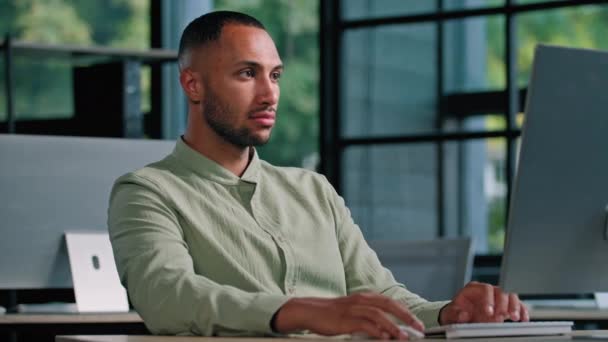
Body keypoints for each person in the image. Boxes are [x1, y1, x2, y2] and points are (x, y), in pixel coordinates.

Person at [107, 10, 529, 339]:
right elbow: (169, 297)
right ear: (192, 85)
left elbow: (381, 297)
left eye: (275, 75)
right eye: (246, 73)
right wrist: (304, 310)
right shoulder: (147, 191)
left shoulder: (312, 189)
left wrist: (447, 313)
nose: (270, 93)